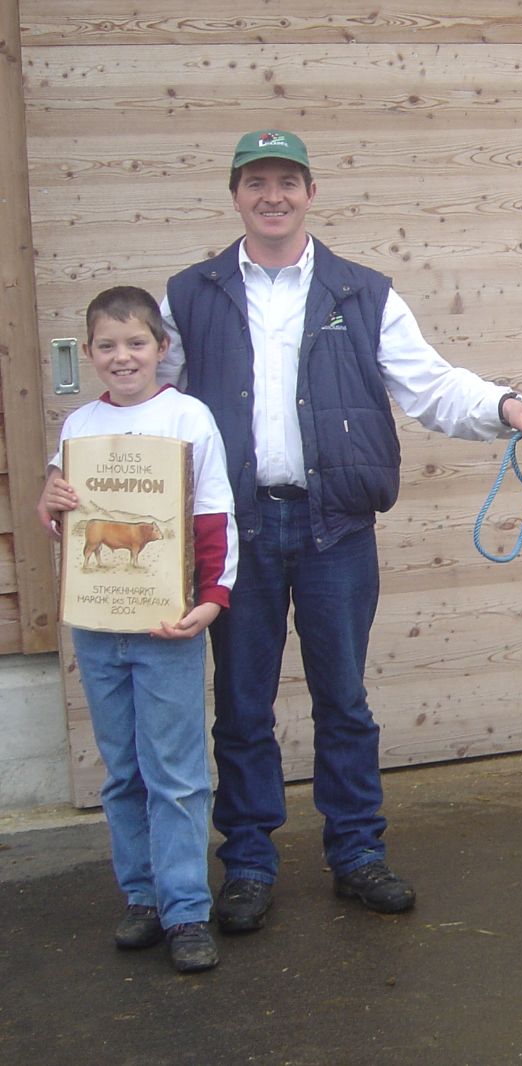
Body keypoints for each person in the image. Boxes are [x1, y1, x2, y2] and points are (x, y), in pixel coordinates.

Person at [157, 128, 522, 933]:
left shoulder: (361, 292)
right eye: (257, 181)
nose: (273, 196)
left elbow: (431, 385)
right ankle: (249, 862)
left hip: (334, 527)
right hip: (234, 533)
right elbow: (145, 401)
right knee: (240, 706)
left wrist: (506, 406)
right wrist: (84, 475)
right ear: (235, 194)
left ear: (310, 192)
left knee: (343, 699)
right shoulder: (188, 296)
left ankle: (357, 851)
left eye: (287, 181)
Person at [37, 286, 239, 974]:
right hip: (98, 626)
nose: (122, 357)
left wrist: (211, 599)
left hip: (166, 626)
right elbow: (64, 514)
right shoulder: (77, 426)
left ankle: (186, 910)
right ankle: (142, 897)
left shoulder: (190, 417)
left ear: (161, 348)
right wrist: (51, 499)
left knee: (176, 774)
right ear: (90, 354)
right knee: (123, 771)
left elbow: (214, 518)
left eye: (136, 343)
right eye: (107, 345)